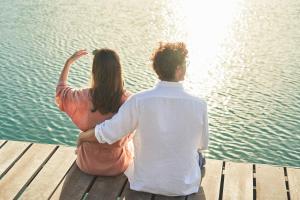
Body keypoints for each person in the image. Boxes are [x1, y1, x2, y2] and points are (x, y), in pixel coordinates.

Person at [77, 42, 209, 196]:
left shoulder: (138, 101)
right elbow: (202, 144)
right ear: (178, 70)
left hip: (145, 182)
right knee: (201, 158)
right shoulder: (199, 105)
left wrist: (82, 136)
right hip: (183, 186)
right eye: (185, 63)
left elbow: (108, 133)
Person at [55, 49, 133, 176]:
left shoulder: (83, 96)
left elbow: (61, 91)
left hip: (86, 164)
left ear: (94, 72)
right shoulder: (130, 100)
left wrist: (68, 62)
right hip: (117, 165)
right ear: (118, 72)